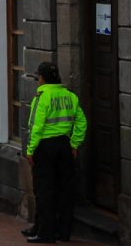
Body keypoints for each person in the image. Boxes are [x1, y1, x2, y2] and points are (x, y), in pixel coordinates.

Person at [22, 62, 87, 244]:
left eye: (38, 78)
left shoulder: (41, 97)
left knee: (44, 191)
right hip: (64, 147)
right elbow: (82, 122)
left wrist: (30, 150)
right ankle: (63, 232)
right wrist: (74, 144)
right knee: (65, 190)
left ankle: (45, 233)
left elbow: (36, 126)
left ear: (41, 78)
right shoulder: (70, 96)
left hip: (44, 148)